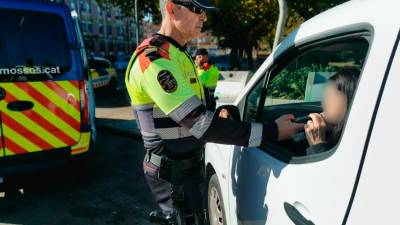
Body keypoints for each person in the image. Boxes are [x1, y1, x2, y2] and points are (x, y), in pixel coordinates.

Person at [125, 0, 303, 224]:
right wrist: (273, 131)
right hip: (173, 176)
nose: (204, 17)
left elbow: (194, 115)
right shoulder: (154, 61)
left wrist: (216, 115)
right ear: (172, 8)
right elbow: (200, 124)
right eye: (197, 9)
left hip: (186, 168)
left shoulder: (177, 54)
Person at [304, 68, 360, 155]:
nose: (324, 103)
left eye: (330, 97)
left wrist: (318, 145)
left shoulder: (356, 140)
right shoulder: (337, 133)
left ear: (351, 100)